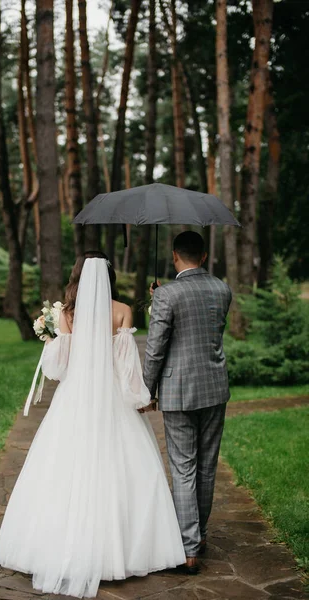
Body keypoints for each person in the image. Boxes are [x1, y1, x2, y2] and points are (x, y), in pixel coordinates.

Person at [0, 251, 185, 598]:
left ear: (77, 275)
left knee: (64, 467)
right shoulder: (123, 310)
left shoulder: (66, 313)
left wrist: (51, 341)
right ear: (109, 276)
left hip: (75, 397)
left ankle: (61, 544)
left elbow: (58, 369)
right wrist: (140, 398)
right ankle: (121, 550)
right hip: (112, 398)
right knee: (123, 467)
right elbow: (127, 366)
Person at [143, 231, 232, 574]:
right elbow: (200, 326)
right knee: (207, 466)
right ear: (205, 256)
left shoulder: (168, 294)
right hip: (214, 388)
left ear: (174, 256)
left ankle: (188, 546)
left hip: (179, 391)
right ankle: (201, 535)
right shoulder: (222, 289)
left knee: (184, 467)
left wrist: (146, 390)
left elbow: (156, 349)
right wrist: (161, 298)